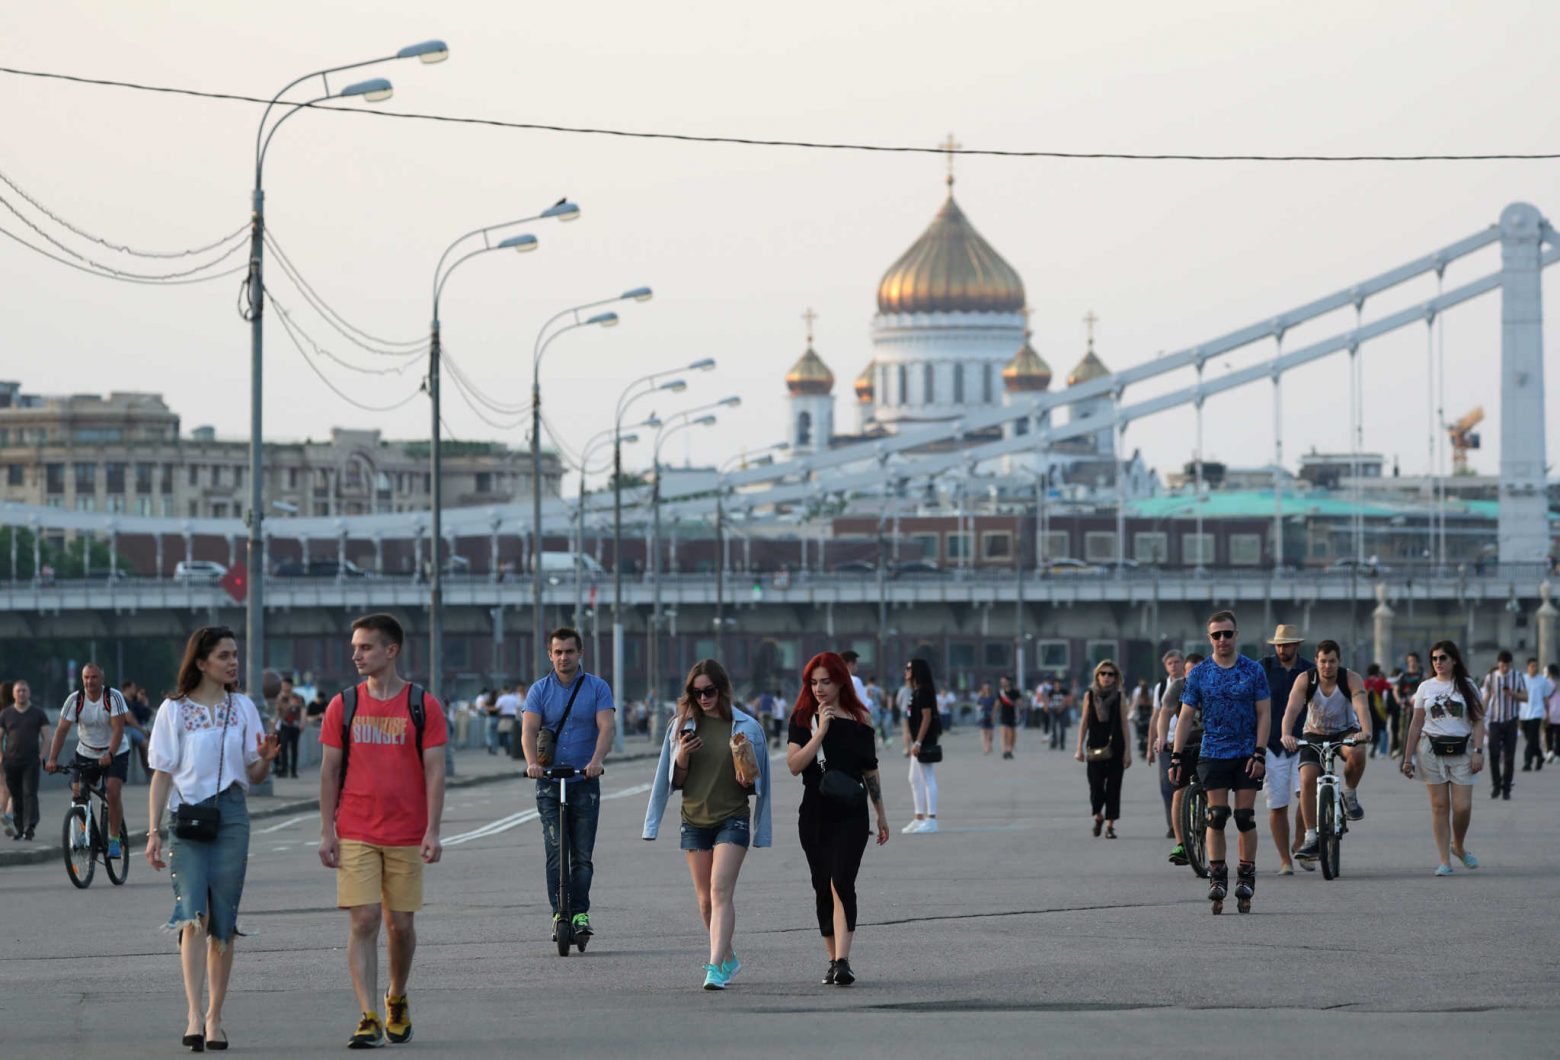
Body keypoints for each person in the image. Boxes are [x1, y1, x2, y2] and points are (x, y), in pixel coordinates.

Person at [317, 613, 449, 1049]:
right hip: (355, 828)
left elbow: (434, 772)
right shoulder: (344, 704)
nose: (357, 655)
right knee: (365, 919)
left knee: (400, 926)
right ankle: (368, 1015)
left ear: (391, 651)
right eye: (355, 647)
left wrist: (433, 829)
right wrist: (326, 831)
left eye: (366, 647)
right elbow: (329, 770)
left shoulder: (422, 704)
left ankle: (396, 996)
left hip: (407, 833)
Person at [145, 626, 279, 1052]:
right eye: (224, 655)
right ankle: (191, 1013)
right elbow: (161, 774)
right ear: (201, 662)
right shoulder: (174, 710)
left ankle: (214, 1017)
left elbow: (253, 773)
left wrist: (267, 761)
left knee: (222, 922)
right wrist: (152, 832)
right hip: (186, 821)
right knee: (192, 915)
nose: (233, 662)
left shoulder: (242, 708)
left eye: (235, 654)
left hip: (232, 816)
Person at [642, 659, 772, 990]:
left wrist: (746, 778)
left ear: (722, 689)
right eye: (697, 693)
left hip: (733, 817)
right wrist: (681, 757)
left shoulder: (746, 727)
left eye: (709, 691)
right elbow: (674, 781)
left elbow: (757, 784)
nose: (703, 698)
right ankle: (728, 956)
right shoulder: (681, 726)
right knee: (704, 901)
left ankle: (715, 968)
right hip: (694, 820)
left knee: (719, 891)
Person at [787, 651, 889, 987]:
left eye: (825, 682)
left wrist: (881, 814)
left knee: (841, 880)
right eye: (813, 682)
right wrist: (820, 732)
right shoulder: (803, 718)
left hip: (851, 813)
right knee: (822, 886)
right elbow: (794, 765)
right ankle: (831, 959)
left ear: (840, 681)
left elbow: (869, 769)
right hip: (815, 814)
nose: (818, 688)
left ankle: (843, 961)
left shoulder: (861, 720)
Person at [1170, 611, 1270, 913]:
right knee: (1216, 816)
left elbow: (1264, 713)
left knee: (1244, 818)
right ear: (1209, 638)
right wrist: (1175, 755)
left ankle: (1246, 876)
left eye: (1228, 634)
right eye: (1217, 635)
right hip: (1212, 752)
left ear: (1236, 635)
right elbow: (1186, 716)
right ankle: (1216, 877)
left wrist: (1260, 752)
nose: (1223, 640)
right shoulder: (1199, 673)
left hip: (1245, 753)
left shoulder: (1252, 670)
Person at [521, 627, 615, 943]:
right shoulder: (539, 690)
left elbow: (606, 726)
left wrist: (597, 760)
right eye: (558, 652)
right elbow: (528, 729)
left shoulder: (597, 688)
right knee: (556, 851)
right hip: (550, 783)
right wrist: (532, 763)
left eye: (569, 651)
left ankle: (579, 912)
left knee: (582, 856)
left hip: (584, 781)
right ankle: (559, 913)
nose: (564, 657)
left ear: (580, 653)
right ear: (550, 655)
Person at [1280, 640, 1373, 867]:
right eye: (1323, 661)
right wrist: (1286, 734)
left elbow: (1361, 705)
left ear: (1339, 662)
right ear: (1316, 661)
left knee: (1358, 753)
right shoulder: (1305, 680)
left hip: (1344, 732)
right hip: (1314, 734)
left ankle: (1349, 794)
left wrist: (1366, 731)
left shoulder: (1350, 679)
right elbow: (1292, 709)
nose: (1327, 666)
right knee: (1307, 778)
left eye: (1332, 661)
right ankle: (1311, 835)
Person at [1400, 640, 1486, 875]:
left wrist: (1478, 751)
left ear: (1454, 660)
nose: (1438, 662)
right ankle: (1444, 861)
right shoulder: (1425, 688)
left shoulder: (1467, 686)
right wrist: (1407, 758)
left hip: (1463, 750)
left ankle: (1457, 845)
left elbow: (1478, 720)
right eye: (1435, 659)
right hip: (1430, 749)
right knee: (1439, 806)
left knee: (1462, 807)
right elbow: (1416, 723)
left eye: (1443, 658)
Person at [46, 664, 131, 859]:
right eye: (86, 677)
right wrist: (52, 759)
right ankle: (86, 832)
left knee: (112, 790)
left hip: (115, 751)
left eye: (94, 677)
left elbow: (118, 730)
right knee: (78, 793)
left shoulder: (113, 697)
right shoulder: (75, 700)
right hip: (86, 752)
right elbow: (61, 730)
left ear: (102, 678)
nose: (89, 681)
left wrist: (109, 754)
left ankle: (115, 838)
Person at [1258, 626, 1315, 875]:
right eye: (1279, 645)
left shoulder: (1310, 670)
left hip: (1305, 741)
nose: (1282, 649)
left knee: (1306, 794)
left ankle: (1301, 836)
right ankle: (1285, 860)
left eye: (1287, 644)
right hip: (1272, 745)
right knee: (1277, 805)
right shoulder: (1264, 668)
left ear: (1297, 646)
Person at [1073, 659, 1132, 838]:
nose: (1106, 677)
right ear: (1097, 676)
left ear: (1116, 678)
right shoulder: (1089, 695)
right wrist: (1079, 748)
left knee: (1114, 787)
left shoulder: (1120, 697)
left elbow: (1124, 724)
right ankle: (1098, 815)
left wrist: (1128, 751)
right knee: (1096, 786)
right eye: (1103, 674)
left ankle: (1110, 825)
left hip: (1116, 747)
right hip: (1094, 746)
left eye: (1110, 674)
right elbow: (1083, 722)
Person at [1157, 654, 1202, 865]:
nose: (1194, 674)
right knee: (1178, 790)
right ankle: (1182, 843)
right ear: (1185, 673)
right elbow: (1164, 713)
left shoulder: (1214, 683)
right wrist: (1162, 738)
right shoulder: (1177, 687)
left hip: (1211, 741)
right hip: (1185, 742)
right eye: (1190, 670)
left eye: (1198, 670)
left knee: (1215, 790)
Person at [1, 679, 49, 841]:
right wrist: (1, 756)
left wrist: (42, 755)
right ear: (13, 694)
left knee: (30, 794)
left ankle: (30, 826)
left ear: (29, 693)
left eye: (24, 690)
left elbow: (46, 737)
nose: (21, 693)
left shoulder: (38, 713)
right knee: (16, 795)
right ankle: (19, 828)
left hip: (31, 761)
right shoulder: (6, 714)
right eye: (18, 691)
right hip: (11, 761)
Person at [901, 658, 943, 834]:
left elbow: (926, 716)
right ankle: (919, 817)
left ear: (917, 670)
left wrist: (918, 741)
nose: (906, 671)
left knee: (927, 776)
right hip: (918, 740)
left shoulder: (924, 691)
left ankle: (931, 819)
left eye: (909, 668)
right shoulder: (915, 691)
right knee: (914, 778)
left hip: (924, 740)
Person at [1147, 650, 1185, 839]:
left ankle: (1194, 817)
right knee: (1166, 783)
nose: (1174, 666)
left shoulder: (1191, 684)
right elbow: (1156, 717)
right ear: (1165, 666)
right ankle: (1173, 824)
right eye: (1170, 663)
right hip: (1167, 742)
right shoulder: (1161, 687)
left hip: (1189, 740)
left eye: (1177, 662)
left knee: (1187, 782)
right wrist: (1150, 747)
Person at [1480, 650, 1526, 800]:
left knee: (1509, 757)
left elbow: (1526, 697)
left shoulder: (1517, 677)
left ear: (1510, 664)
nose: (1504, 668)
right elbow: (1486, 697)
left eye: (1506, 666)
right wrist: (1480, 715)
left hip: (1511, 720)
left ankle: (1506, 789)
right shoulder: (1491, 677)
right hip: (1494, 721)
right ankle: (1496, 785)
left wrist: (1513, 694)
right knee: (1493, 754)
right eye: (1501, 665)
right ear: (1498, 664)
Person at [1519, 657, 1552, 773]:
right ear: (1528, 667)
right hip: (1523, 714)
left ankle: (1527, 762)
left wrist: (1548, 713)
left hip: (1537, 713)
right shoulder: (1522, 679)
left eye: (1536, 666)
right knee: (1530, 739)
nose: (1535, 668)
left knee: (1532, 739)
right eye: (1532, 666)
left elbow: (1546, 698)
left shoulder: (1543, 681)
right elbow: (1517, 696)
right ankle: (1540, 756)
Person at [1392, 652, 1427, 757]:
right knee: (1404, 731)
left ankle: (1418, 754)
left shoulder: (1423, 676)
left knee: (1421, 731)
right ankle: (1405, 753)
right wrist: (1399, 699)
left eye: (1414, 661)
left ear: (1418, 662)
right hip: (1406, 707)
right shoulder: (1403, 676)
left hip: (1420, 708)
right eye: (1410, 661)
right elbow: (1395, 689)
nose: (1412, 663)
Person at [275, 677, 304, 779]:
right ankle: (284, 770)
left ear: (291, 686)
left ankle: (293, 771)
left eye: (286, 685)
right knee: (283, 748)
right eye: (283, 685)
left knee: (294, 749)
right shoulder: (279, 698)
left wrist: (302, 723)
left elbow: (303, 710)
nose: (284, 687)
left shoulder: (298, 697)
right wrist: (275, 724)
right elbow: (277, 712)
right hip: (284, 725)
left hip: (295, 725)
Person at [1364, 664, 1392, 759]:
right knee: (1383, 729)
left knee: (1372, 729)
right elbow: (1390, 688)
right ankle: (1382, 751)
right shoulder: (1381, 681)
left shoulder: (1366, 682)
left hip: (1369, 710)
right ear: (1377, 672)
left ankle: (1372, 745)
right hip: (1380, 711)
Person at [495, 682, 522, 757]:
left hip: (503, 717)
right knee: (511, 734)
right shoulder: (514, 698)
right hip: (512, 717)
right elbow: (518, 707)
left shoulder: (501, 698)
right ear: (509, 690)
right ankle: (511, 748)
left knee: (504, 734)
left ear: (503, 690)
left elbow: (497, 708)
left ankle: (507, 749)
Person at [997, 675, 1020, 759]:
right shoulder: (1000, 693)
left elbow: (1019, 702)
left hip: (1012, 715)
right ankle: (1004, 751)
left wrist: (1013, 702)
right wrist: (993, 713)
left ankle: (1010, 750)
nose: (1002, 683)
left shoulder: (1015, 692)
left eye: (1003, 681)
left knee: (1012, 735)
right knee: (1004, 733)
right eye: (1001, 682)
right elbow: (997, 704)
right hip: (1003, 714)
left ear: (1008, 682)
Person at [1131, 677, 1153, 758]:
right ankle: (1146, 743)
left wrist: (1131, 712)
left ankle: (1141, 742)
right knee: (1147, 732)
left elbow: (1134, 703)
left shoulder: (1137, 691)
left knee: (1139, 732)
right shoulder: (1150, 690)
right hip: (1147, 714)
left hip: (1140, 714)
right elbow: (1152, 702)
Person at [975, 681, 996, 755]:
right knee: (983, 733)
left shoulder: (992, 697)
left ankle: (990, 745)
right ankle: (985, 748)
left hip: (990, 716)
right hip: (982, 716)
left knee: (990, 734)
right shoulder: (980, 697)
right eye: (985, 688)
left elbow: (994, 708)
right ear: (983, 689)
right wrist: (980, 707)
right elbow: (977, 707)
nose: (986, 689)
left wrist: (993, 716)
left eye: (988, 688)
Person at [1546, 663, 1560, 764]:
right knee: (1558, 735)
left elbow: (1544, 697)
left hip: (1549, 712)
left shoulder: (1546, 683)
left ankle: (1549, 751)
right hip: (1559, 712)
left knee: (1548, 733)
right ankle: (1558, 754)